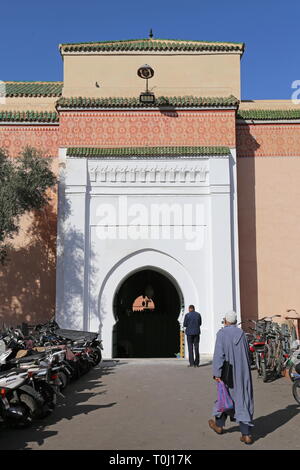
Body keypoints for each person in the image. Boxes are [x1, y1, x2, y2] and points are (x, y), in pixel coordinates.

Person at [208, 310, 254, 445]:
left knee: (225, 397)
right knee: (242, 399)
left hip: (228, 374)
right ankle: (246, 434)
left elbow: (219, 355)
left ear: (226, 321)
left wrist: (217, 373)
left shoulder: (222, 334)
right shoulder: (242, 334)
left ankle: (219, 425)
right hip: (243, 373)